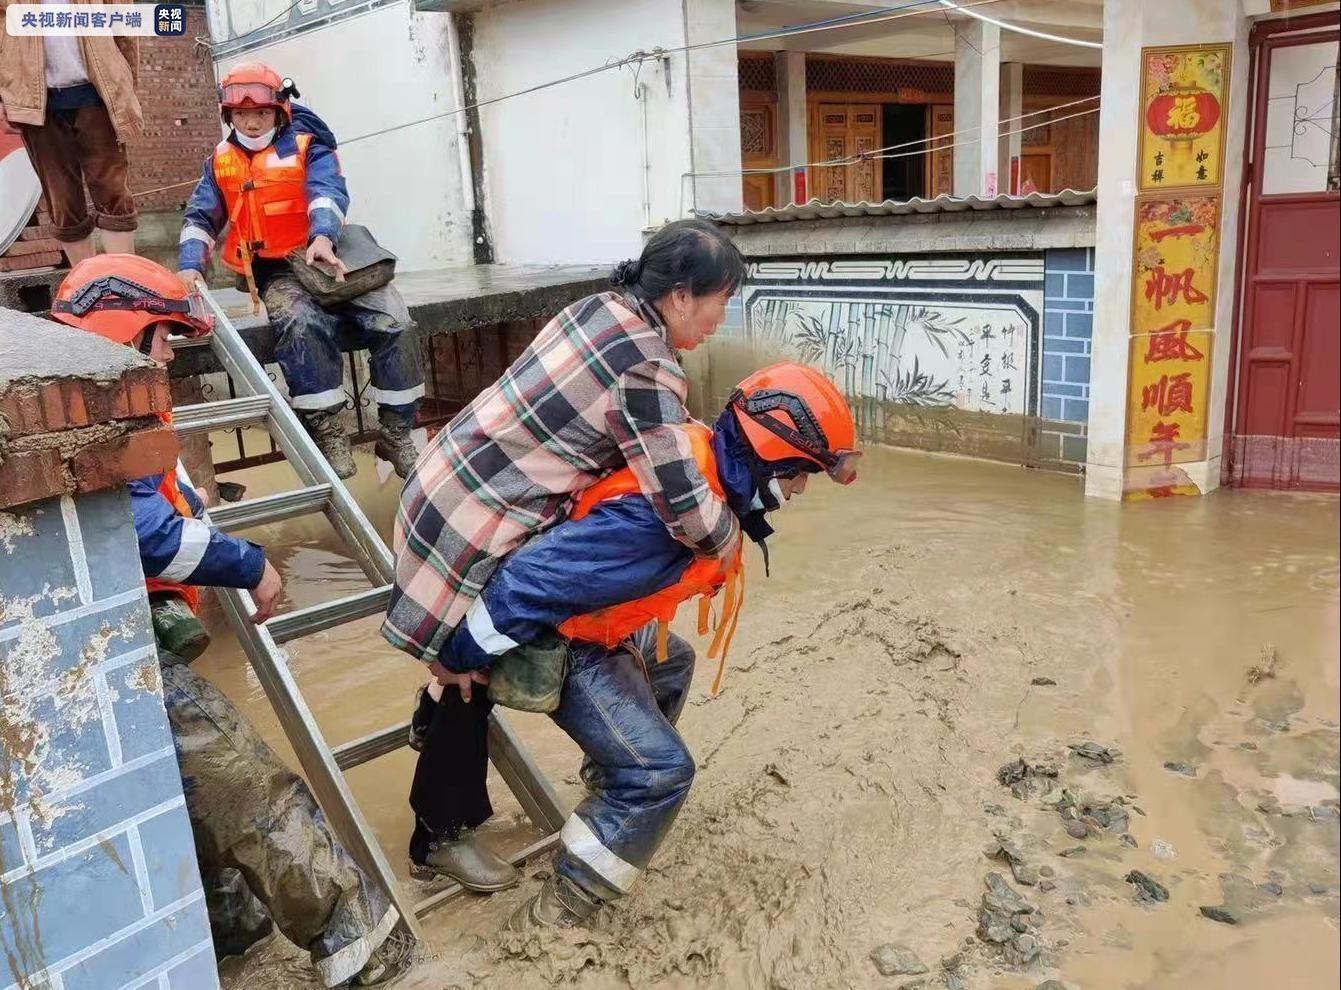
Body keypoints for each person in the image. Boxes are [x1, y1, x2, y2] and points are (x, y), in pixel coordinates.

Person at [51, 255, 411, 988]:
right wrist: (248, 563)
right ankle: (357, 941)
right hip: (109, 646)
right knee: (246, 785)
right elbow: (145, 531)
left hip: (104, 641)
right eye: (162, 341)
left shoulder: (108, 406)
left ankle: (231, 933)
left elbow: (176, 498)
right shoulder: (95, 417)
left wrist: (218, 552)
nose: (169, 357)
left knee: (181, 791)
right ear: (125, 331)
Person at [419, 361, 859, 929]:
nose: (799, 489)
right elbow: (531, 582)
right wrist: (456, 657)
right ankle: (561, 911)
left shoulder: (704, 467)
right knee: (662, 772)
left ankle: (608, 783)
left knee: (673, 664)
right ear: (768, 457)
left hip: (604, 624)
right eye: (800, 474)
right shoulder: (658, 517)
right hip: (570, 637)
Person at [384, 219, 746, 891]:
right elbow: (680, 502)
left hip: (449, 481)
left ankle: (429, 724)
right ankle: (436, 838)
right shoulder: (646, 363)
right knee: (473, 665)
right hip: (477, 523)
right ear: (682, 295)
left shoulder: (599, 310)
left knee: (467, 660)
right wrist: (729, 541)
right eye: (722, 301)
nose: (721, 320)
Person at [176, 62, 423, 480]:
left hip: (331, 257)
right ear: (228, 116)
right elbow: (200, 217)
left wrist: (322, 236)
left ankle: (396, 430)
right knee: (300, 324)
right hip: (278, 270)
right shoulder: (219, 162)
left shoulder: (310, 147)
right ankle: (328, 432)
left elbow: (326, 192)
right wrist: (188, 267)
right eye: (241, 115)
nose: (252, 123)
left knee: (396, 324)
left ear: (280, 111)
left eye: (261, 113)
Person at [0, 0, 141, 263]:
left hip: (97, 94)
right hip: (38, 104)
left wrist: (126, 86)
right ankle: (84, 289)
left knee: (112, 192)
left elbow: (124, 24)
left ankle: (124, 284)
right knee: (62, 200)